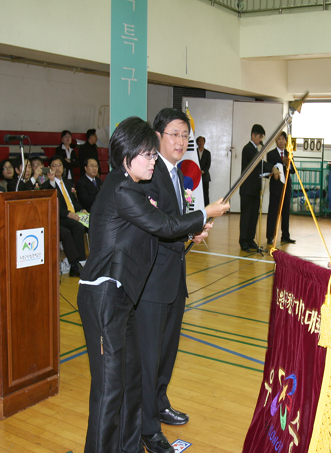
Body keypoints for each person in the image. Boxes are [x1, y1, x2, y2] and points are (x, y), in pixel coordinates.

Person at [77, 116, 229, 453]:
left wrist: (189, 229)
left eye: (153, 155)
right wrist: (205, 213)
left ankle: (129, 447)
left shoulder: (132, 186)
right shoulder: (120, 189)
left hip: (123, 298)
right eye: (146, 155)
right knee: (109, 387)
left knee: (130, 382)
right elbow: (161, 224)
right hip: (104, 298)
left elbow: (160, 228)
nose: (153, 161)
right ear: (126, 155)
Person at [133, 108, 207, 453]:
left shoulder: (177, 173)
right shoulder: (150, 174)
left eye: (184, 136)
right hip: (151, 282)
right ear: (158, 135)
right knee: (148, 357)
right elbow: (157, 224)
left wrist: (194, 231)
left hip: (174, 277)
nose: (180, 142)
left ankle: (160, 402)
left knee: (166, 352)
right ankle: (147, 428)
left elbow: (173, 223)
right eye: (174, 134)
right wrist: (200, 218)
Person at [42, 155, 87, 277]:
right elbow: (52, 205)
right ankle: (80, 261)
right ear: (49, 168)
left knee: (91, 221)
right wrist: (68, 214)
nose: (57, 168)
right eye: (54, 165)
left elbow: (73, 201)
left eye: (59, 165)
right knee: (77, 226)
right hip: (60, 217)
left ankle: (86, 261)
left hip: (74, 214)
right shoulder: (47, 185)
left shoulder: (68, 182)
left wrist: (81, 209)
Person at [239, 124, 278, 252]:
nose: (261, 140)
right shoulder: (248, 149)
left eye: (262, 137)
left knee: (254, 216)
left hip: (255, 188)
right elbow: (258, 163)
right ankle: (243, 241)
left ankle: (250, 240)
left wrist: (268, 174)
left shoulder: (255, 149)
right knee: (246, 216)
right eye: (259, 137)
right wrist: (272, 168)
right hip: (247, 189)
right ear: (253, 135)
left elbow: (257, 169)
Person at [266, 131, 295, 246]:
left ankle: (285, 236)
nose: (281, 141)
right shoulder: (271, 154)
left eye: (283, 139)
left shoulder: (289, 153)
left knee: (286, 213)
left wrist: (289, 164)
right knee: (273, 212)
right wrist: (281, 162)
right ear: (275, 141)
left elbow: (292, 170)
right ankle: (270, 236)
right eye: (279, 139)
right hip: (275, 188)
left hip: (286, 188)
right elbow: (270, 169)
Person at [196, 135, 211, 204]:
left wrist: (203, 171)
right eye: (199, 141)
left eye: (202, 141)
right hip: (196, 176)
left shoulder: (208, 153)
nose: (200, 142)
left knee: (205, 193)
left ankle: (207, 209)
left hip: (205, 176)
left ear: (204, 142)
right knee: (197, 193)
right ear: (197, 143)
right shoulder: (194, 152)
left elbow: (208, 164)